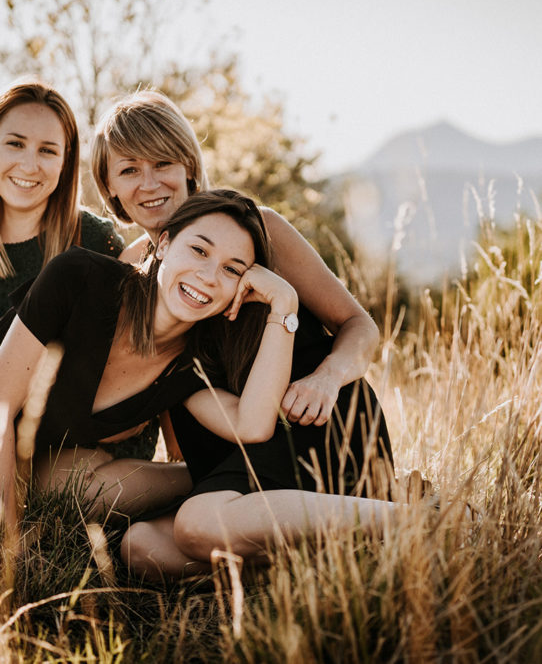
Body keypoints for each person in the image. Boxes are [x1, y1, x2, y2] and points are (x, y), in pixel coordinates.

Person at [0, 191, 397, 552]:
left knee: (78, 495)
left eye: (231, 270)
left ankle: (341, 522)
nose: (208, 277)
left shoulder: (194, 359)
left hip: (44, 469)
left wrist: (284, 305)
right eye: (199, 251)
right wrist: (10, 543)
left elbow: (252, 425)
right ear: (165, 242)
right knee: (56, 483)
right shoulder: (80, 279)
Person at [91, 90, 389, 443]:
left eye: (162, 163)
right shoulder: (130, 269)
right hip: (224, 448)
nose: (150, 184)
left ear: (189, 166)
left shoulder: (261, 230)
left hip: (316, 421)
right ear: (109, 186)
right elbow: (162, 385)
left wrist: (327, 378)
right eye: (129, 170)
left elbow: (360, 327)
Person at [0, 80, 124, 322]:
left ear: (65, 162)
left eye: (47, 150)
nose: (28, 166)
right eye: (15, 144)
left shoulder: (95, 241)